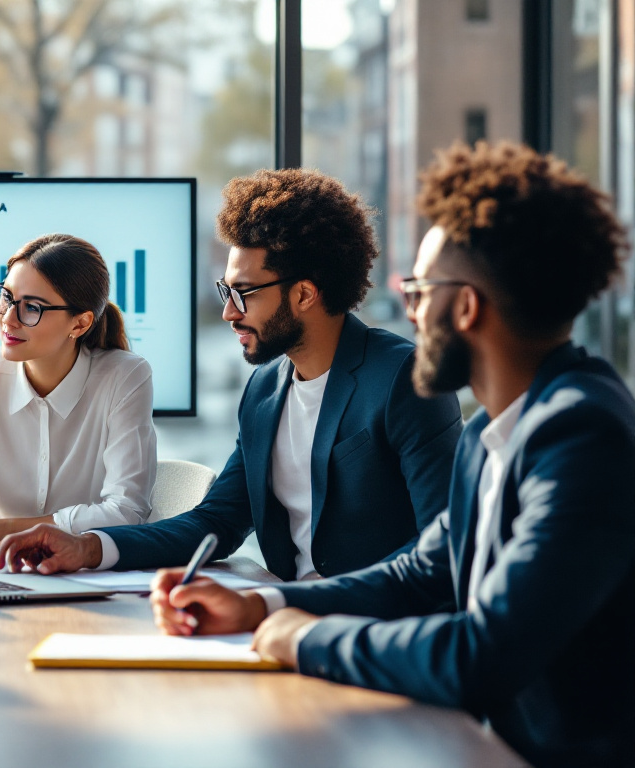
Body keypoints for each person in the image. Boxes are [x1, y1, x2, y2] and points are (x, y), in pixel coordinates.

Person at [151, 141, 633, 767]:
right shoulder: (498, 426)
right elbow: (423, 570)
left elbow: (483, 653)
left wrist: (313, 640)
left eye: (420, 292)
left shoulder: (581, 435)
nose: (407, 311)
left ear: (464, 306)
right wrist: (260, 604)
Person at [0, 169, 463, 579]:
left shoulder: (403, 379)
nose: (228, 313)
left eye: (243, 293)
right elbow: (217, 521)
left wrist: (294, 607)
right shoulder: (265, 389)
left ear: (304, 294)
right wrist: (89, 547)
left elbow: (441, 554)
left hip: (369, 633)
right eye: (225, 291)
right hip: (284, 621)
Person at [0, 233, 156, 545]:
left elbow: (127, 512)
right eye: (7, 297)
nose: (9, 319)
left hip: (88, 575)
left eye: (33, 307)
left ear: (80, 324)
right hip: (2, 569)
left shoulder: (125, 376)